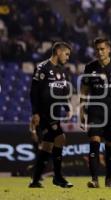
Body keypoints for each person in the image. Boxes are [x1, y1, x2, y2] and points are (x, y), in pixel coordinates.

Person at [80, 37, 111, 188]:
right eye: (97, 49)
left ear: (109, 49)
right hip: (95, 111)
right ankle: (94, 180)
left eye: (102, 49)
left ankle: (108, 180)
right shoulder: (90, 67)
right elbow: (84, 91)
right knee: (94, 142)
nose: (99, 52)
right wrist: (81, 111)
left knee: (110, 146)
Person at [29, 42, 73, 188]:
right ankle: (58, 177)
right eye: (66, 54)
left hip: (56, 113)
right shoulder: (42, 67)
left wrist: (67, 107)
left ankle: (35, 180)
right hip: (45, 113)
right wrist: (35, 112)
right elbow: (34, 92)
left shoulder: (61, 71)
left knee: (47, 146)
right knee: (60, 138)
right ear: (58, 51)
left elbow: (62, 93)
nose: (67, 57)